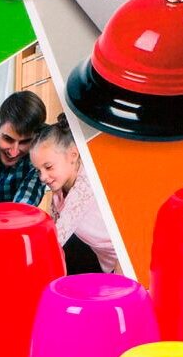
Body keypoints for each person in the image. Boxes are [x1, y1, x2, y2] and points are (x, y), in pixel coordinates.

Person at [30, 115, 118, 273]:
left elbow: (57, 236)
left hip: (123, 259)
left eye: (48, 167)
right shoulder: (59, 190)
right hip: (105, 260)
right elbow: (52, 229)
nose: (42, 177)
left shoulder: (86, 184)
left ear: (73, 155)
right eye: (38, 170)